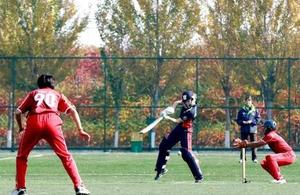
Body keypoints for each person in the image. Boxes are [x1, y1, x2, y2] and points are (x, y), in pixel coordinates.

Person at [12, 74, 91, 195]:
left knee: (22, 156)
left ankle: (20, 189)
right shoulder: (58, 94)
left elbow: (18, 112)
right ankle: (79, 187)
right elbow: (73, 111)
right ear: (52, 84)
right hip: (52, 122)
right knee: (66, 156)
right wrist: (80, 129)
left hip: (34, 122)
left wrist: (21, 127)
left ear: (39, 84)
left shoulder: (33, 93)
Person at [154, 90, 203, 183]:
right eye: (185, 102)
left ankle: (199, 176)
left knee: (186, 153)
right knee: (164, 145)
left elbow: (177, 120)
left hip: (186, 131)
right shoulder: (185, 101)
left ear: (192, 100)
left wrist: (167, 117)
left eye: (188, 102)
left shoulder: (191, 112)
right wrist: (170, 109)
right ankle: (161, 169)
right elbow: (177, 102)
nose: (185, 104)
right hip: (179, 129)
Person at [234, 119, 296, 184]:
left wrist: (247, 144)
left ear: (268, 128)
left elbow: (259, 144)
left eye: (265, 128)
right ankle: (278, 178)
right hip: (287, 155)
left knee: (270, 157)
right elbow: (258, 142)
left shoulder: (271, 135)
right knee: (264, 163)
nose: (263, 129)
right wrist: (247, 144)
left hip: (289, 155)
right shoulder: (269, 135)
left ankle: (279, 179)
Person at [236, 95, 261, 163]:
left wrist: (251, 121)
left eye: (249, 100)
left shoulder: (255, 110)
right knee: (243, 144)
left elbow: (258, 119)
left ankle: (254, 158)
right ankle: (243, 158)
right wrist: (243, 122)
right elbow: (238, 120)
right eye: (247, 100)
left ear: (251, 101)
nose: (248, 101)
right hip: (244, 129)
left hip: (253, 129)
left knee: (254, 144)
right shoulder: (241, 110)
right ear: (245, 101)